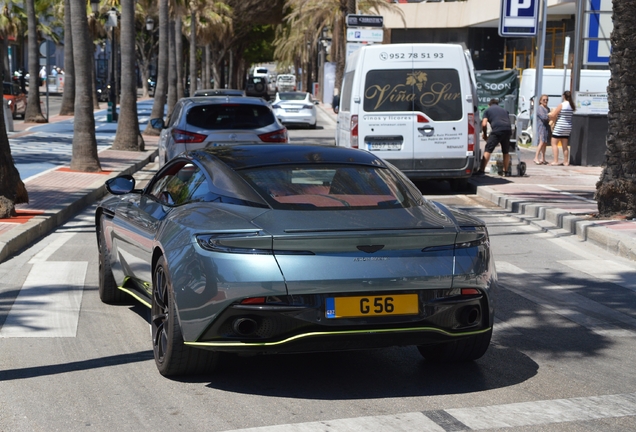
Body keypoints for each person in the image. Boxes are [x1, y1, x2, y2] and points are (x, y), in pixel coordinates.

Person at [477, 98, 512, 175]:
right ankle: (506, 171)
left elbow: (484, 124)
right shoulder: (504, 110)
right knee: (505, 151)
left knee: (488, 149)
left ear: (489, 105)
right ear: (497, 104)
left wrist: (485, 134)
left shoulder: (487, 111)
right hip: (508, 129)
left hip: (497, 130)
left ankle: (481, 170)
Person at [549, 90, 576, 166]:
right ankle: (566, 161)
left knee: (554, 143)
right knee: (565, 145)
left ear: (564, 96)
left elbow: (554, 115)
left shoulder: (562, 105)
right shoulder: (571, 105)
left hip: (560, 126)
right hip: (568, 126)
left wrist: (549, 115)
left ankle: (555, 160)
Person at [533, 94, 550, 165]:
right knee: (541, 142)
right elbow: (544, 117)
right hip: (541, 127)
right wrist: (551, 116)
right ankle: (536, 157)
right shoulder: (540, 108)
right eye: (544, 100)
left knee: (545, 142)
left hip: (546, 127)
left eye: (547, 100)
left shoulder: (548, 109)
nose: (545, 101)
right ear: (540, 101)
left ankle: (543, 158)